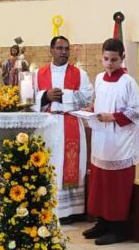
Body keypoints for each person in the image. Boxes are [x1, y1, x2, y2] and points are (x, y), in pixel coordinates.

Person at [82, 38, 139, 245]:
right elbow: (101, 103)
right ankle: (103, 223)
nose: (109, 63)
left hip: (121, 142)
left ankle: (118, 228)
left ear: (122, 58)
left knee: (117, 186)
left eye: (114, 60)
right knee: (100, 183)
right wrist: (91, 110)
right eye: (106, 59)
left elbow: (137, 112)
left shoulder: (128, 82)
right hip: (102, 140)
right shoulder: (99, 78)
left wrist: (112, 117)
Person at [31, 36, 93, 224]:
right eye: (59, 48)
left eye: (66, 48)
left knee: (71, 164)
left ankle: (71, 211)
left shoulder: (80, 74)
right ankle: (46, 206)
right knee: (49, 164)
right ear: (51, 50)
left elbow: (87, 97)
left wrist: (63, 96)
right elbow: (28, 97)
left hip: (70, 122)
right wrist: (45, 96)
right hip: (47, 125)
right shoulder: (38, 74)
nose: (63, 52)